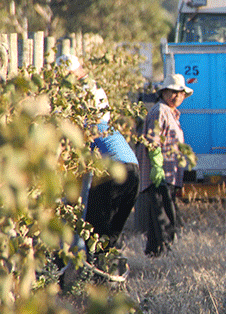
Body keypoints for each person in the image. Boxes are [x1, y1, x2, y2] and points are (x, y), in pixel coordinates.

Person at [56, 54, 139, 252]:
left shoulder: (83, 124)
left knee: (94, 231)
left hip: (114, 169)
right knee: (110, 237)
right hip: (133, 169)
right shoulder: (99, 104)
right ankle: (108, 276)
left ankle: (93, 276)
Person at [136, 73, 194, 257]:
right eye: (172, 92)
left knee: (158, 217)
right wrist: (157, 168)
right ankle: (165, 253)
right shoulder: (160, 111)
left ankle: (153, 254)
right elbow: (153, 142)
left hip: (168, 174)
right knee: (165, 217)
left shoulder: (170, 112)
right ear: (164, 93)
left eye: (180, 93)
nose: (177, 96)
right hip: (160, 175)